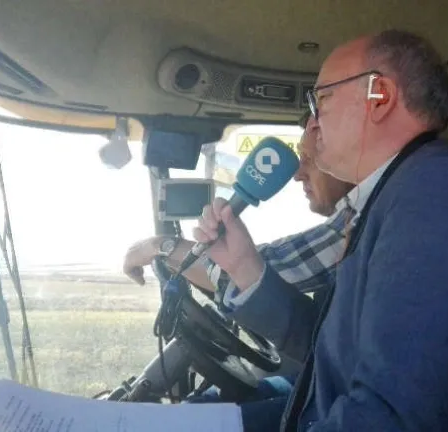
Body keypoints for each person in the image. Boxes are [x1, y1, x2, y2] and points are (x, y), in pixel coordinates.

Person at [193, 29, 448, 431]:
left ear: (379, 96)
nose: (313, 122)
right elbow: (335, 353)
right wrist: (245, 268)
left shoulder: (441, 194)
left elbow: (390, 417)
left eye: (321, 99)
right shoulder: (395, 195)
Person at [122, 111, 355, 404]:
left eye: (309, 158)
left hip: (338, 392)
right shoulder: (351, 222)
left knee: (193, 413)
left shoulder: (357, 222)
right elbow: (246, 270)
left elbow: (256, 273)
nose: (297, 174)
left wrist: (161, 246)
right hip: (324, 376)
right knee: (203, 405)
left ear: (347, 156)